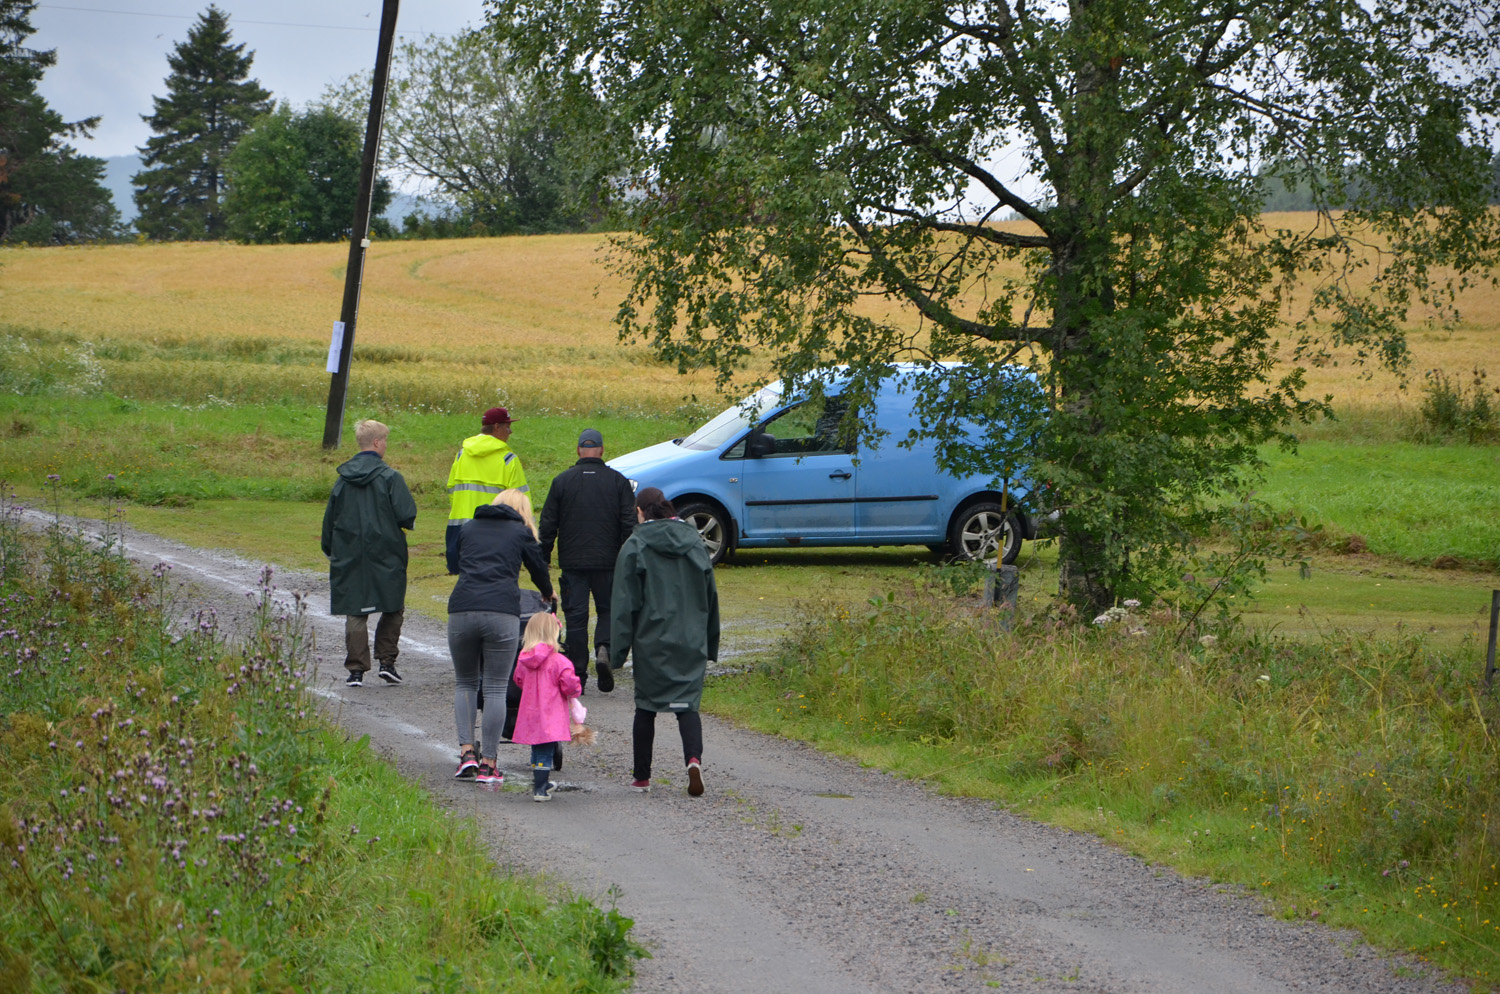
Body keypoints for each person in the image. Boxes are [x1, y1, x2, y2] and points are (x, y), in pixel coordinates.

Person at [610, 487, 719, 796]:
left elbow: (624, 605)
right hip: (691, 637)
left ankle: (642, 777)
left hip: (651, 639)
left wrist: (617, 653)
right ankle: (693, 760)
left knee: (646, 707)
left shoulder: (635, 546)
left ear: (641, 511)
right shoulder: (695, 543)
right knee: (687, 705)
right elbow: (710, 596)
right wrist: (711, 642)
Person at [448, 488, 554, 785]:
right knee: (495, 687)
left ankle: (466, 753)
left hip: (462, 608)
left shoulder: (468, 527)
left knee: (465, 682)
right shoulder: (520, 532)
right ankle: (489, 764)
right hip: (501, 612)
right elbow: (537, 568)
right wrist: (548, 593)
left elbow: (453, 563)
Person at [538, 427, 636, 694]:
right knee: (608, 610)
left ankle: (578, 673)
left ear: (578, 450)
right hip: (609, 562)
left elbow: (548, 525)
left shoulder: (562, 481)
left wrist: (542, 560)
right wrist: (628, 559)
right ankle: (604, 648)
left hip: (573, 563)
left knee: (576, 618)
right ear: (602, 450)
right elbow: (629, 525)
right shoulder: (618, 482)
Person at [322, 419, 418, 688]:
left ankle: (356, 669)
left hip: (349, 551)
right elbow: (406, 514)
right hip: (386, 551)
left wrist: (330, 550)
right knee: (393, 604)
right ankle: (387, 661)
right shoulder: (390, 477)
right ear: (377, 442)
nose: (386, 445)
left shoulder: (342, 480)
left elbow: (330, 520)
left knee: (355, 610)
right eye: (385, 440)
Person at [445, 406, 527, 575]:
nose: (510, 432)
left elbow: (452, 490)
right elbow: (521, 502)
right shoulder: (508, 459)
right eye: (507, 427)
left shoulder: (462, 455)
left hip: (460, 530)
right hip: (496, 533)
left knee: (466, 582)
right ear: (496, 427)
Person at [512, 611, 583, 802]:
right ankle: (540, 789)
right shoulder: (559, 661)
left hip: (530, 711)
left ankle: (540, 781)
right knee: (546, 749)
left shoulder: (523, 659)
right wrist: (576, 691)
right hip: (550, 713)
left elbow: (518, 679)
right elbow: (569, 685)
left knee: (537, 747)